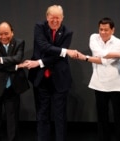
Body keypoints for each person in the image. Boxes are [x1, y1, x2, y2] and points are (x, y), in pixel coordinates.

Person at [23, 5, 78, 141]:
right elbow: (44, 47)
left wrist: (39, 62)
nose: (55, 20)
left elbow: (56, 56)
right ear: (47, 17)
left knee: (60, 116)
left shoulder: (67, 32)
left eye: (58, 18)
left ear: (62, 18)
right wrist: (65, 51)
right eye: (52, 17)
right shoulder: (39, 27)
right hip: (41, 78)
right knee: (42, 114)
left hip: (60, 78)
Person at [76, 17, 120, 141]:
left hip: (115, 83)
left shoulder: (119, 42)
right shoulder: (94, 37)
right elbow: (100, 54)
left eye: (106, 30)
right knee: (102, 116)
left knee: (119, 116)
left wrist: (86, 58)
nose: (103, 32)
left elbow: (105, 60)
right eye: (101, 29)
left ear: (112, 30)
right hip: (98, 82)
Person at [0, 21, 30, 141]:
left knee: (13, 121)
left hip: (13, 87)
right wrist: (17, 66)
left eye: (6, 33)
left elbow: (18, 58)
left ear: (12, 32)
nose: (3, 37)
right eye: (0, 34)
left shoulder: (19, 43)